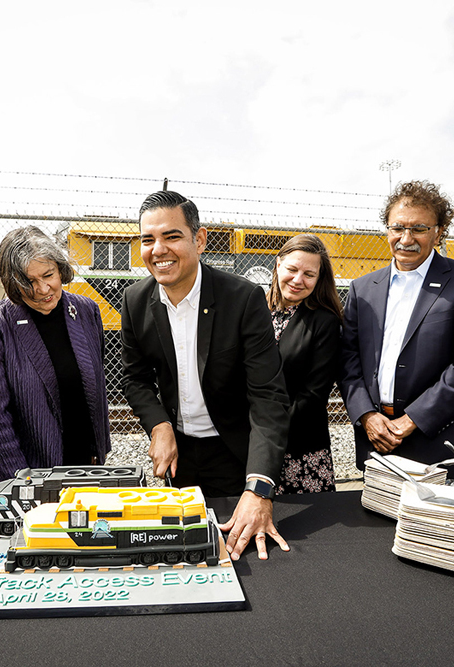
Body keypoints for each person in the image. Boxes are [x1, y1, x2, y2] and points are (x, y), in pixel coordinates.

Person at [121, 191, 291, 561]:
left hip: (234, 454)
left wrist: (259, 490)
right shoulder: (135, 300)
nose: (158, 249)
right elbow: (135, 379)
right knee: (186, 556)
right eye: (148, 239)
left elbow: (268, 398)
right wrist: (160, 426)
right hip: (179, 456)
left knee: (245, 560)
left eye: (172, 236)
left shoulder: (242, 299)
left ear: (199, 239)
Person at [339, 180, 454, 468]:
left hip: (436, 442)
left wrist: (412, 420)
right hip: (376, 439)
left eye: (419, 229)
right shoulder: (363, 288)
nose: (406, 238)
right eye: (397, 228)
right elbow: (347, 358)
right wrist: (366, 415)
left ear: (438, 233)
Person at [0, 226, 110, 481]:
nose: (43, 289)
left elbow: (95, 387)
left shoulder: (86, 310)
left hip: (86, 465)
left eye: (48, 275)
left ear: (60, 269)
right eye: (28, 281)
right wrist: (22, 482)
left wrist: (97, 452)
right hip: (33, 472)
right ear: (12, 283)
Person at [266, 234, 343, 494]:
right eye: (292, 269)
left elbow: (313, 395)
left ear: (319, 279)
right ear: (278, 265)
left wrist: (268, 435)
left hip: (299, 448)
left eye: (309, 274)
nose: (298, 280)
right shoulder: (254, 310)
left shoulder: (324, 322)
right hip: (251, 443)